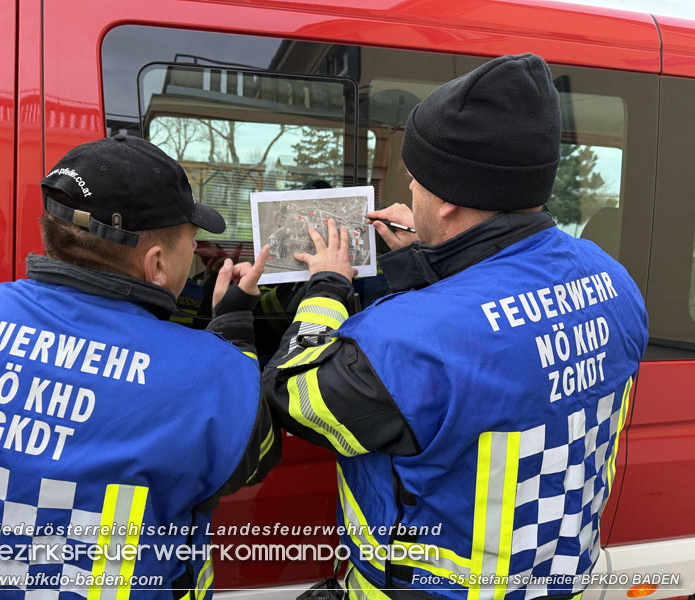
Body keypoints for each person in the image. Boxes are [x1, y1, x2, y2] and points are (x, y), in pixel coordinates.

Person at [262, 54, 648, 600]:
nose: (410, 193)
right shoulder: (615, 281)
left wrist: (326, 285)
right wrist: (430, 260)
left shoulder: (409, 341)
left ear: (445, 201)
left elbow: (291, 393)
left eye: (416, 181)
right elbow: (497, 329)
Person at [0, 134, 280, 599]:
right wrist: (233, 328)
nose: (195, 253)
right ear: (156, 264)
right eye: (191, 241)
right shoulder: (210, 375)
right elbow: (251, 458)